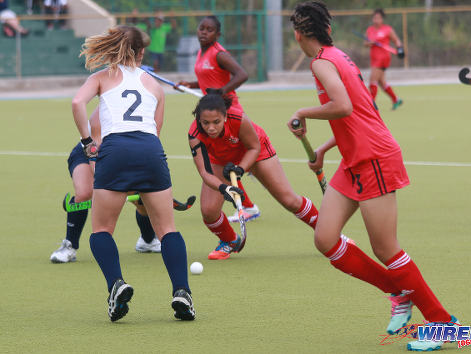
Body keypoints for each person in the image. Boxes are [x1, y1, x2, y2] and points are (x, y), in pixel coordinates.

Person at [289, 2, 458, 351]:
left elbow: (345, 106)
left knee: (386, 248)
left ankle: (443, 324)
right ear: (327, 30)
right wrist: (324, 148)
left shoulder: (322, 62)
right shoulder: (338, 56)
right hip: (353, 159)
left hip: (374, 158)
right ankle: (397, 291)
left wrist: (302, 112)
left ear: (298, 34)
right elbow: (361, 111)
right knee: (325, 238)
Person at [73, 25, 195, 322]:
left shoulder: (101, 77)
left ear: (113, 47)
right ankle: (182, 293)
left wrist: (88, 143)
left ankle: (116, 284)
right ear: (141, 52)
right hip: (150, 150)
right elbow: (157, 128)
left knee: (102, 230)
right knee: (168, 229)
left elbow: (77, 103)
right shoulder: (154, 84)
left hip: (115, 150)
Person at [189, 90, 319, 260]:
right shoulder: (195, 134)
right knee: (209, 211)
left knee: (289, 200)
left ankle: (330, 235)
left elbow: (254, 148)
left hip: (255, 151)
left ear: (225, 117)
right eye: (205, 123)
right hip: (218, 159)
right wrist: (224, 188)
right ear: (199, 120)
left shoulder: (238, 119)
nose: (211, 128)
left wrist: (240, 169)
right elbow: (204, 172)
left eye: (216, 122)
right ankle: (230, 241)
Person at [50, 109, 162, 264]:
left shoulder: (142, 109)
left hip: (126, 154)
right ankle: (69, 245)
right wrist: (106, 184)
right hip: (90, 153)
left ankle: (148, 241)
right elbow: (93, 151)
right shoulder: (104, 110)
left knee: (141, 197)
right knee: (84, 193)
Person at [178, 15, 261, 224]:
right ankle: (249, 206)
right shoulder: (201, 52)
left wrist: (221, 92)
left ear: (218, 34)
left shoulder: (219, 53)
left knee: (229, 160)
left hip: (227, 113)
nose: (204, 32)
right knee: (225, 163)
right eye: (201, 28)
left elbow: (242, 74)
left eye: (210, 30)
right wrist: (190, 84)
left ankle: (250, 173)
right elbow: (208, 79)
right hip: (213, 113)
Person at [365, 8, 403, 110]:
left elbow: (397, 41)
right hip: (374, 58)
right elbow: (366, 43)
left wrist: (400, 49)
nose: (376, 20)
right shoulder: (370, 30)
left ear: (382, 19)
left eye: (378, 18)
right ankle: (396, 99)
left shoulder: (387, 29)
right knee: (381, 83)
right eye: (374, 18)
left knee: (373, 80)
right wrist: (370, 43)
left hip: (383, 58)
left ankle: (371, 106)